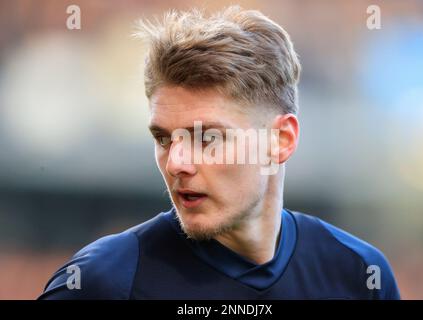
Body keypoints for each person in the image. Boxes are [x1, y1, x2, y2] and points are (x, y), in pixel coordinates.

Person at [39, 6, 400, 299]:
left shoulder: (360, 276)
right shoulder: (101, 283)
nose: (177, 163)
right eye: (164, 139)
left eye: (207, 139)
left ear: (281, 140)